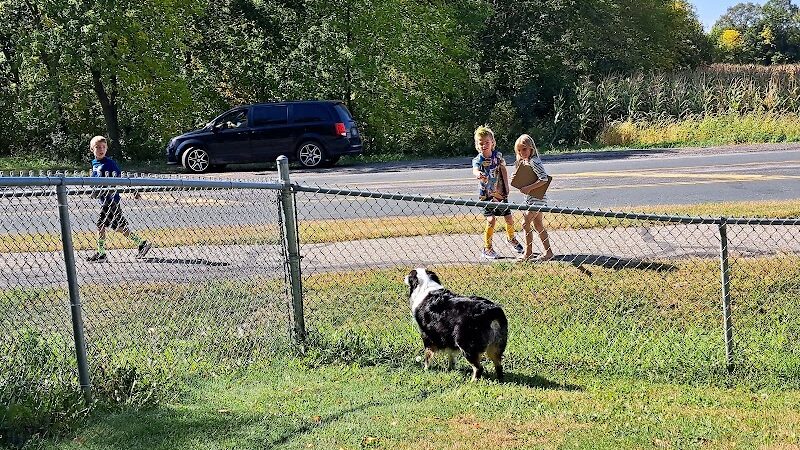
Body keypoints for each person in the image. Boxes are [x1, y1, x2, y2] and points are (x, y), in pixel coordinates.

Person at [85, 136, 152, 262]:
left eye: (103, 147)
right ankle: (141, 243)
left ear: (107, 149)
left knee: (100, 225)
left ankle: (101, 253)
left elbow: (121, 178)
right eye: (98, 147)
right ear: (91, 149)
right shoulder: (94, 164)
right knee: (119, 228)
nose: (101, 149)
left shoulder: (109, 163)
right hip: (104, 200)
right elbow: (94, 181)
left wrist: (133, 191)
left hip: (111, 200)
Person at [471, 125, 524, 260]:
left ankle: (511, 238)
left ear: (492, 142)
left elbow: (503, 170)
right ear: (477, 145)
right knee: (491, 220)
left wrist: (506, 187)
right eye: (480, 143)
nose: (484, 145)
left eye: (487, 142)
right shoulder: (478, 160)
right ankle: (487, 248)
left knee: (509, 218)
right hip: (486, 195)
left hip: (500, 193)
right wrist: (479, 174)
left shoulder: (498, 156)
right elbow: (475, 170)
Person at [513, 134, 554, 262]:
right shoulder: (525, 162)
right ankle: (548, 252)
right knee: (538, 225)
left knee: (525, 224)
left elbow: (544, 179)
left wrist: (528, 188)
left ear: (531, 148)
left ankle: (528, 253)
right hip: (531, 198)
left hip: (537, 199)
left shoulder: (533, 161)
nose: (522, 152)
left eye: (524, 149)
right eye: (519, 150)